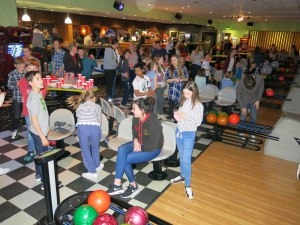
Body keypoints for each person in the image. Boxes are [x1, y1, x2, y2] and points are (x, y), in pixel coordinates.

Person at [107, 97, 164, 198]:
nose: (132, 110)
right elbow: (135, 132)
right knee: (122, 150)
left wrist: (139, 148)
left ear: (142, 110)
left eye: (134, 108)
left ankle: (133, 186)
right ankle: (117, 184)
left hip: (153, 149)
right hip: (140, 143)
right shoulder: (136, 118)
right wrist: (136, 140)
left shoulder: (153, 123)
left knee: (125, 159)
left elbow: (152, 146)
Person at [170, 81, 204, 200]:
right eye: (184, 93)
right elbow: (180, 117)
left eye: (188, 93)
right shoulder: (184, 100)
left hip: (189, 134)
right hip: (179, 131)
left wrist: (186, 116)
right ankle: (182, 176)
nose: (185, 95)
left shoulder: (199, 105)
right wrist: (177, 114)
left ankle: (188, 185)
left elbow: (198, 122)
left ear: (194, 92)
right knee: (182, 156)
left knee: (186, 159)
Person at [26, 71, 57, 190]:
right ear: (31, 83)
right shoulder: (33, 98)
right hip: (38, 133)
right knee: (42, 156)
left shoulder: (38, 93)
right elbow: (34, 120)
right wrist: (43, 136)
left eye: (41, 78)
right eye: (37, 79)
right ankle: (46, 182)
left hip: (41, 131)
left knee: (40, 154)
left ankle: (38, 174)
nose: (41, 80)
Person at [66, 89, 104, 179]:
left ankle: (92, 171)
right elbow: (99, 121)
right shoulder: (97, 106)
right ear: (94, 98)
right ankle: (97, 165)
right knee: (95, 148)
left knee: (85, 150)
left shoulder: (79, 106)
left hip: (83, 128)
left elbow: (79, 118)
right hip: (95, 128)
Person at [20, 59, 46, 162]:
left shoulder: (41, 81)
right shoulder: (22, 81)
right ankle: (31, 150)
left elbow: (42, 97)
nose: (31, 70)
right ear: (25, 69)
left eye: (33, 68)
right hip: (28, 111)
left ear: (37, 69)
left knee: (42, 128)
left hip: (40, 111)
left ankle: (42, 146)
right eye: (29, 68)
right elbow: (24, 96)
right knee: (31, 132)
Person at [236, 74, 264, 142]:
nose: (250, 89)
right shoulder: (241, 82)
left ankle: (252, 133)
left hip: (254, 100)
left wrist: (258, 100)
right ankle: (240, 133)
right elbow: (238, 95)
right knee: (243, 117)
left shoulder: (260, 79)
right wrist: (243, 107)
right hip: (244, 99)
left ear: (254, 80)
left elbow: (261, 90)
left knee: (253, 117)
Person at [7, 57, 26, 139]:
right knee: (16, 115)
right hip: (17, 97)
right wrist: (16, 85)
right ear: (15, 65)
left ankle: (30, 129)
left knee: (28, 115)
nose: (22, 67)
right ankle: (15, 130)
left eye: (23, 65)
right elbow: (9, 86)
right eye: (19, 65)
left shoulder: (27, 72)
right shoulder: (12, 74)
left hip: (27, 98)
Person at [165, 55, 189, 120]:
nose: (173, 62)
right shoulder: (169, 69)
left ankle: (178, 117)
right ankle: (171, 115)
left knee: (180, 105)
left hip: (180, 89)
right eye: (172, 60)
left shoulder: (183, 68)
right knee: (171, 104)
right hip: (172, 90)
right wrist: (174, 79)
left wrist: (182, 79)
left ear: (178, 60)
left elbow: (187, 78)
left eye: (175, 60)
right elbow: (166, 80)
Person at [153, 55, 167, 120]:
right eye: (161, 59)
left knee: (160, 100)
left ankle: (159, 113)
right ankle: (160, 113)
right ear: (157, 60)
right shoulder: (156, 68)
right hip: (158, 86)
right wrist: (162, 77)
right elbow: (157, 78)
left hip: (162, 86)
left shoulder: (162, 66)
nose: (163, 60)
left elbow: (165, 76)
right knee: (160, 100)